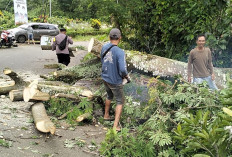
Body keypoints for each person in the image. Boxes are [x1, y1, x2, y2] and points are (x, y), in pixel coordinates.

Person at [101, 28, 130, 132]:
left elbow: (102, 60)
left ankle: (106, 115)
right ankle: (115, 126)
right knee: (120, 101)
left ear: (109, 37)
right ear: (120, 38)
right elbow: (122, 69)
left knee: (109, 95)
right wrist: (126, 77)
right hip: (115, 81)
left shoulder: (104, 47)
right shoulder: (120, 52)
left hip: (105, 77)